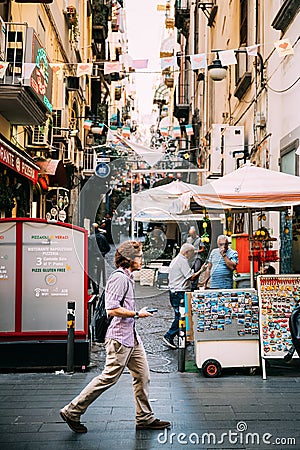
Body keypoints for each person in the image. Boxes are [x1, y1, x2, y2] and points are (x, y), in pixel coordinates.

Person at [60, 240, 171, 433]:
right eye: (139, 257)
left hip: (131, 337)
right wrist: (137, 314)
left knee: (142, 376)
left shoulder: (128, 277)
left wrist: (137, 312)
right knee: (108, 378)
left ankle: (144, 417)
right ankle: (72, 410)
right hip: (119, 338)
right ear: (129, 259)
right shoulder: (119, 278)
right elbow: (111, 309)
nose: (142, 260)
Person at [163, 243, 203, 349]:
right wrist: (201, 270)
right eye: (192, 253)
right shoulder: (182, 261)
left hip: (175, 291)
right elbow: (191, 277)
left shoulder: (176, 260)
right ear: (187, 252)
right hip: (179, 292)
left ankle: (183, 338)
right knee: (182, 316)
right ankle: (169, 336)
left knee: (182, 315)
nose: (192, 255)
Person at [186, 226, 205, 290]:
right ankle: (189, 284)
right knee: (188, 271)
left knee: (197, 270)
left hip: (197, 257)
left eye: (192, 234)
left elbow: (202, 249)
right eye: (190, 234)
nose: (191, 236)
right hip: (190, 258)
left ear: (195, 233)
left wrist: (196, 251)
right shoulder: (188, 239)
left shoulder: (199, 239)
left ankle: (195, 286)